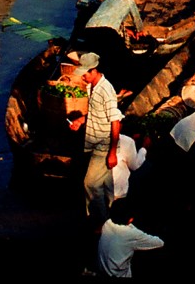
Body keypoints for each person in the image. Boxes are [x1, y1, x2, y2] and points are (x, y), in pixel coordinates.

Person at [75, 52, 124, 229]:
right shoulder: (91, 87)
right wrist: (81, 120)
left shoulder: (106, 90)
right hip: (93, 142)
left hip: (103, 145)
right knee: (106, 185)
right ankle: (113, 218)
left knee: (90, 184)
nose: (83, 76)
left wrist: (112, 151)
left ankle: (101, 223)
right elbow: (96, 113)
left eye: (86, 73)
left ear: (94, 70)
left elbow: (115, 121)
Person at [96, 198, 164, 278]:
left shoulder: (107, 223)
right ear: (131, 219)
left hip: (102, 269)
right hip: (119, 275)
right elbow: (160, 243)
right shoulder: (130, 233)